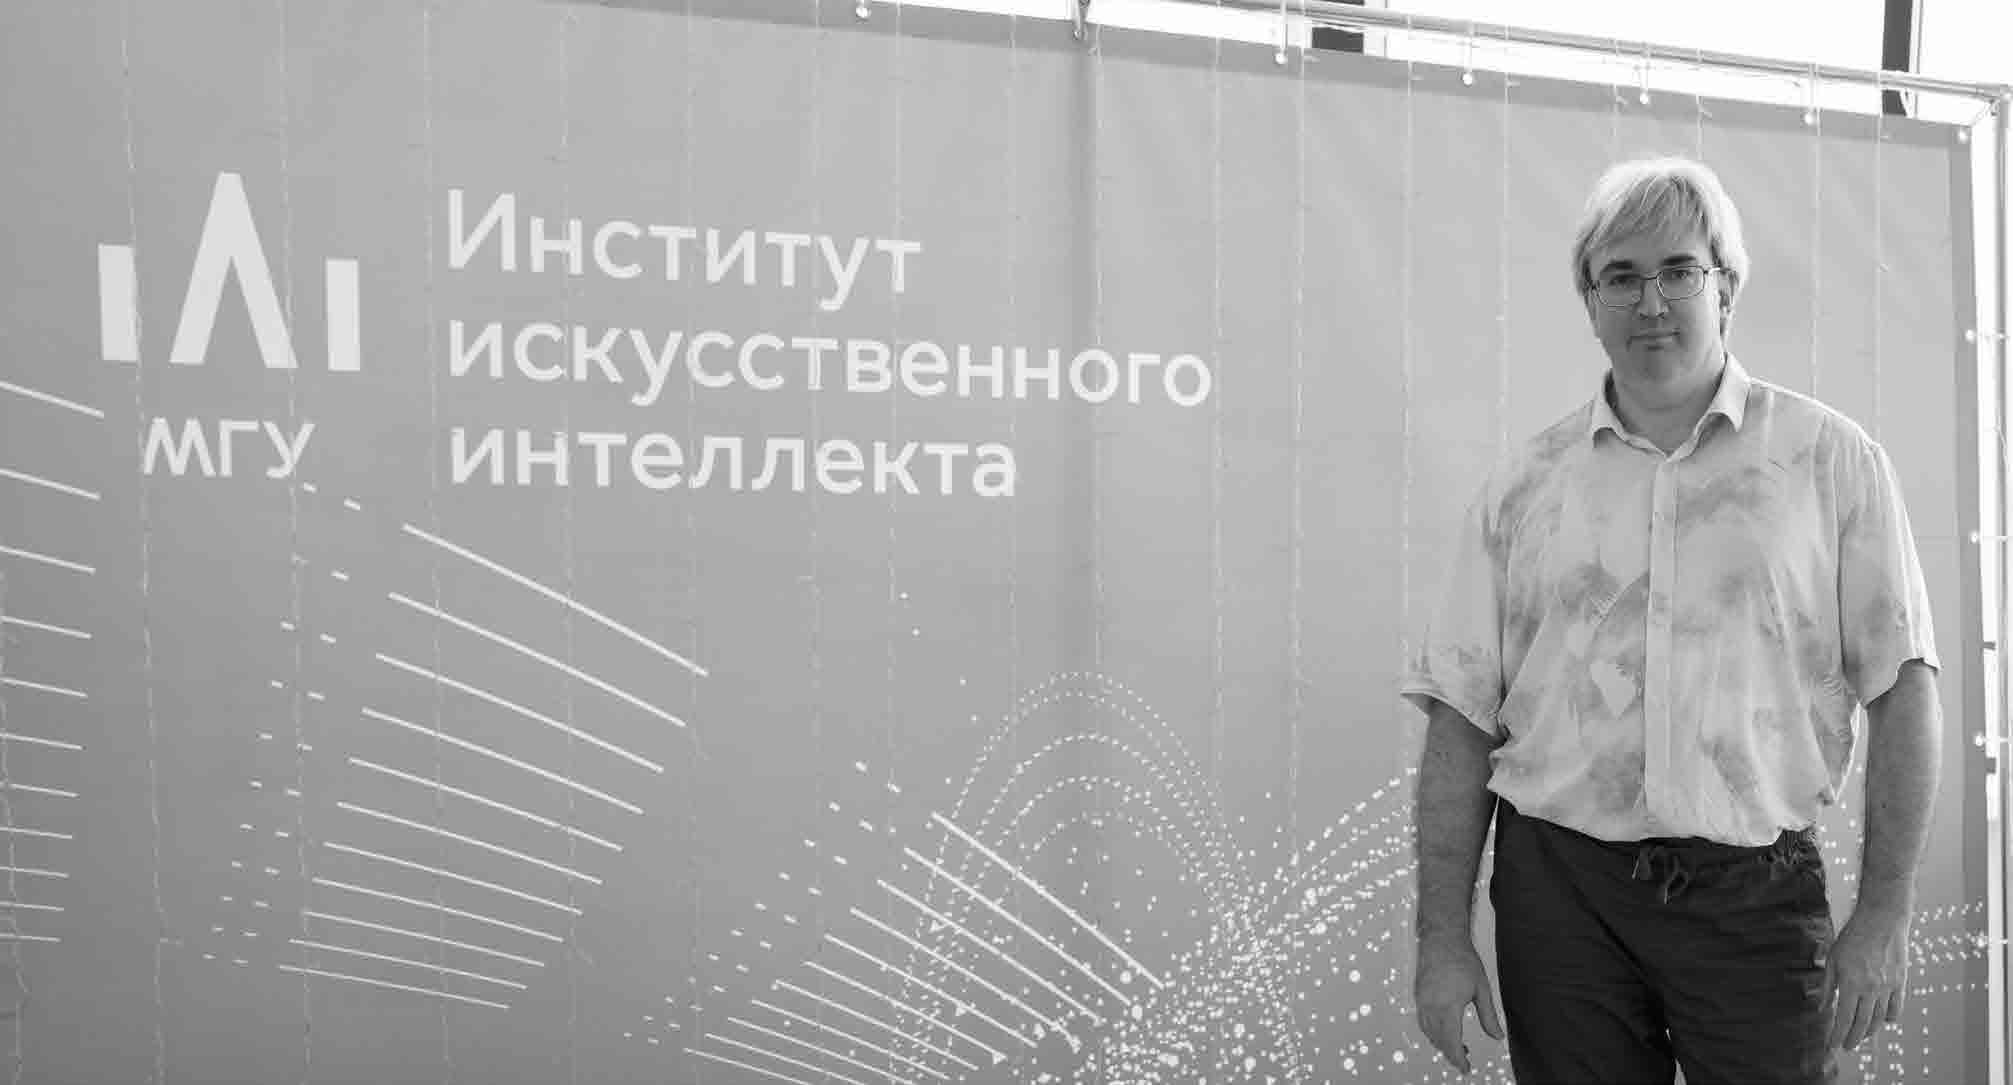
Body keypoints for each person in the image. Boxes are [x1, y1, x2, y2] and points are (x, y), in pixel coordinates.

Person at [1400, 155, 1943, 1085]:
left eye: (1678, 270)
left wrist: (1886, 911)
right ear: (1590, 302)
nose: (1650, 302)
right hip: (1560, 898)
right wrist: (1441, 936)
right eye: (1620, 277)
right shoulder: (1523, 489)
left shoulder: (1828, 463)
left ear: (1724, 286)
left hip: (1752, 898)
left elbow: (1904, 692)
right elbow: (1460, 717)